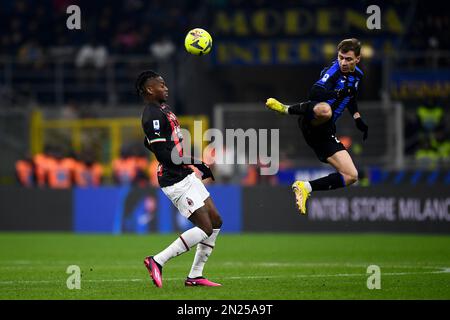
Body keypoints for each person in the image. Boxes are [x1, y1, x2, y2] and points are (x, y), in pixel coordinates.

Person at [136, 70, 223, 288]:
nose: (166, 88)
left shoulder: (163, 109)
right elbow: (163, 155)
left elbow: (151, 143)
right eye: (161, 85)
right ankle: (157, 260)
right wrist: (195, 162)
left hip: (184, 173)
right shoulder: (151, 114)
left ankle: (195, 276)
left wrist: (191, 163)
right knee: (205, 228)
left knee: (216, 221)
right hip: (174, 179)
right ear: (149, 89)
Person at [266, 38, 369, 214]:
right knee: (326, 109)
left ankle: (305, 187)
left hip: (325, 132)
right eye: (341, 57)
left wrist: (357, 118)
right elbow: (314, 92)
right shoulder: (334, 70)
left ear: (357, 59)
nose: (343, 62)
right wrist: (338, 92)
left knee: (352, 175)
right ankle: (286, 109)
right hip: (312, 118)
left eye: (348, 59)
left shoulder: (357, 75)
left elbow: (350, 97)